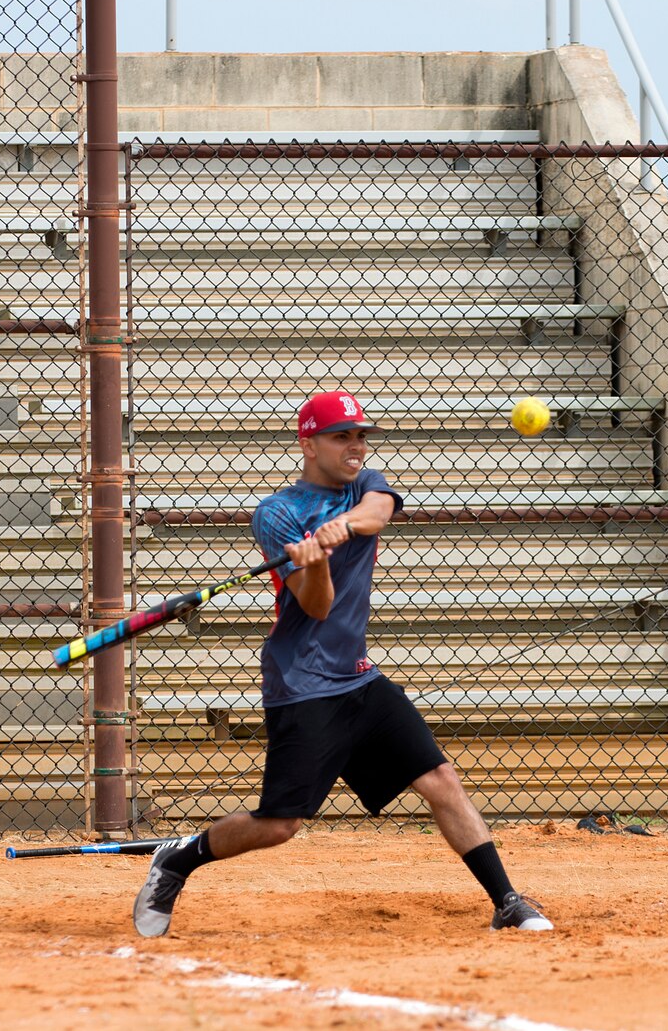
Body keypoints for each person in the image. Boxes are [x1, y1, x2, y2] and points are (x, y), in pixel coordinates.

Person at [132, 390, 554, 936]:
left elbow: (378, 513)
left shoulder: (365, 485)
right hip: (303, 684)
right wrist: (316, 559)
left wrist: (343, 528)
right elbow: (317, 604)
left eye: (360, 435)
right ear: (309, 444)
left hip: (358, 677)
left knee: (441, 779)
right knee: (279, 825)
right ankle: (177, 860)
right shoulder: (277, 515)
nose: (355, 446)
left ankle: (506, 901)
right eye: (341, 436)